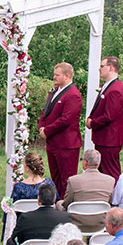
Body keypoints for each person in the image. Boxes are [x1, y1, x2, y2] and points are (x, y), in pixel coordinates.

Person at [38, 62, 83, 199]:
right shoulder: (55, 92)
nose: (54, 77)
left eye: (57, 75)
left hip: (66, 144)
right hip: (53, 143)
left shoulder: (73, 95)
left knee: (66, 179)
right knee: (55, 177)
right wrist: (41, 126)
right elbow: (45, 112)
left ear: (67, 76)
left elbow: (66, 119)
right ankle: (56, 202)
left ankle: (66, 204)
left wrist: (47, 130)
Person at [6, 184, 71, 245]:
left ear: (38, 199)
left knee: (10, 242)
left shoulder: (26, 217)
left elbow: (16, 239)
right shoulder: (65, 218)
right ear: (54, 200)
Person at [86, 56, 123, 181]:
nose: (99, 69)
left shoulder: (115, 90)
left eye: (102, 66)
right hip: (104, 138)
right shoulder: (108, 86)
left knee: (110, 172)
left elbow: (109, 116)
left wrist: (93, 122)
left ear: (111, 68)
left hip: (110, 139)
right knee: (103, 171)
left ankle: (114, 198)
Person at [56, 149, 115, 232]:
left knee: (59, 203)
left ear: (85, 162)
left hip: (77, 223)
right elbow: (110, 202)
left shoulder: (73, 180)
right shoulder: (110, 180)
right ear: (98, 163)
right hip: (101, 223)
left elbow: (66, 204)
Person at [3, 151, 54, 233]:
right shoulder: (49, 184)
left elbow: (12, 208)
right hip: (46, 224)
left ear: (27, 168)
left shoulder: (19, 187)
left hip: (24, 227)